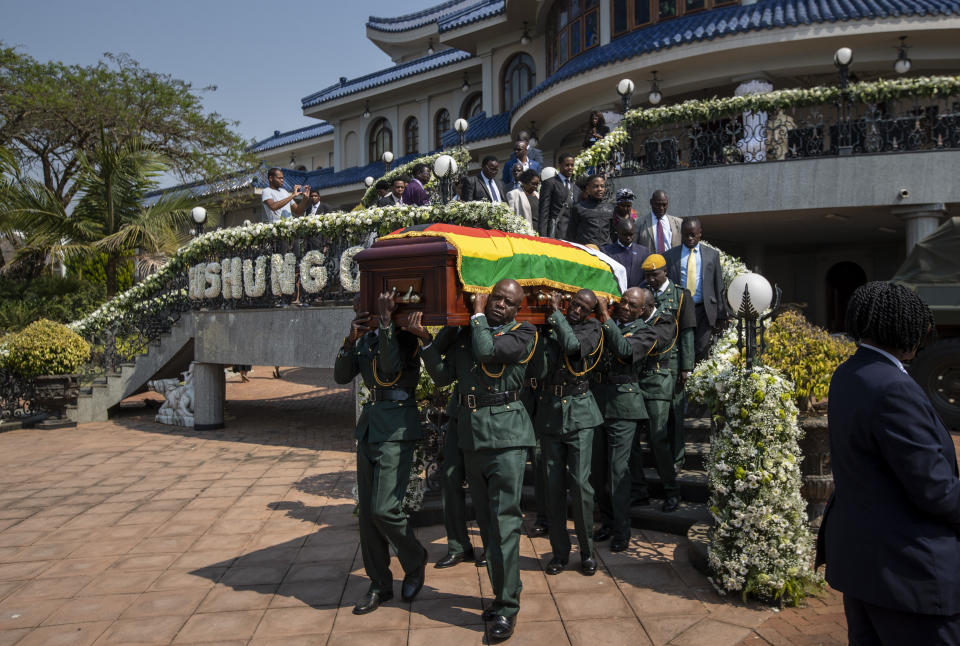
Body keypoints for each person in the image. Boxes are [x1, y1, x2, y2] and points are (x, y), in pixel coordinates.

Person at [816, 281, 959, 645]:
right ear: (902, 328)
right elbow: (936, 490)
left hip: (862, 566)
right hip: (907, 574)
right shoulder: (893, 387)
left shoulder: (847, 373)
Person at [410, 279, 537, 641]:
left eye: (508, 302)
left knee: (504, 524)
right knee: (486, 522)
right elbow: (442, 376)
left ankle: (508, 606)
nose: (500, 305)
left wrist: (477, 314)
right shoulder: (468, 330)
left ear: (517, 309)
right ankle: (503, 595)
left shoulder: (523, 332)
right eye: (496, 297)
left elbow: (486, 353)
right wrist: (426, 340)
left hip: (508, 440)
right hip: (471, 437)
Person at [333, 292, 427, 615]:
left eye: (363, 307)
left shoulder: (404, 336)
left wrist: (387, 324)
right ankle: (379, 583)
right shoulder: (363, 338)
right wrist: (349, 340)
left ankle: (414, 559)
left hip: (398, 427)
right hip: (371, 427)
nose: (359, 312)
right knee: (368, 517)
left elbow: (389, 367)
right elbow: (341, 375)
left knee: (385, 509)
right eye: (355, 309)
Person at [590, 287, 673, 552]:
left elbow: (625, 352)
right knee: (598, 471)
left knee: (618, 471)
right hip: (597, 402)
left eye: (632, 304)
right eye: (623, 301)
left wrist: (605, 316)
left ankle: (621, 530)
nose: (625, 306)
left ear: (643, 311)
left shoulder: (647, 331)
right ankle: (607, 522)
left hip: (624, 406)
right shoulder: (603, 323)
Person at [529, 290, 603, 576]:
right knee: (553, 486)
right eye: (575, 305)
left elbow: (572, 346)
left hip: (580, 414)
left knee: (581, 486)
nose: (577, 311)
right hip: (550, 413)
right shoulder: (550, 325)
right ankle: (559, 553)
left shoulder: (592, 329)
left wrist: (556, 314)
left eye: (584, 309)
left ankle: (586, 552)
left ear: (590, 313)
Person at [431, 327, 486, 570]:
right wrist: (453, 322)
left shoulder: (507, 331)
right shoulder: (460, 333)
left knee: (483, 485)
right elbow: (440, 365)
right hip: (459, 414)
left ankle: (492, 545)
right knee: (450, 477)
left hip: (488, 418)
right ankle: (458, 546)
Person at [640, 253, 697, 478]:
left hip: (673, 362)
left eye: (654, 275)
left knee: (675, 413)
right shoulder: (644, 293)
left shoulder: (680, 295)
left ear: (665, 272)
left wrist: (687, 366)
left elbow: (687, 332)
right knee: (657, 417)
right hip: (650, 362)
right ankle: (660, 458)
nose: (651, 280)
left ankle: (677, 458)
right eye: (647, 276)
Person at [633, 286, 685, 513]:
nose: (629, 309)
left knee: (658, 439)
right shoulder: (634, 322)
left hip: (657, 384)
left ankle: (671, 491)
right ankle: (639, 490)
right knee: (631, 441)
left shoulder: (665, 321)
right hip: (635, 384)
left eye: (634, 306)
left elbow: (654, 344)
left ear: (647, 308)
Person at [664, 217, 728, 361]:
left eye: (693, 234)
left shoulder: (712, 255)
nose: (690, 238)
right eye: (686, 234)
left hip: (704, 309)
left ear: (700, 233)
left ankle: (695, 378)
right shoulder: (670, 256)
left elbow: (718, 285)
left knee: (701, 346)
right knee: (683, 345)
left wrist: (721, 314)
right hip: (681, 308)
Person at [600, 218, 649, 288]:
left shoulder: (644, 252)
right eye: (625, 235)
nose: (628, 238)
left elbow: (647, 276)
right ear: (617, 233)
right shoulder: (606, 252)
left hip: (637, 295)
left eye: (631, 234)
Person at [538, 153, 579, 238]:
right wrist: (543, 236)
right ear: (559, 165)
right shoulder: (550, 183)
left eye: (572, 165)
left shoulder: (575, 187)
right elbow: (544, 211)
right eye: (567, 165)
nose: (570, 168)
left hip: (572, 235)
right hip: (556, 233)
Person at [566, 175, 613, 247]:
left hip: (605, 251)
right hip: (586, 251)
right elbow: (571, 234)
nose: (599, 189)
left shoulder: (610, 208)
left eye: (602, 186)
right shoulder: (579, 208)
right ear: (588, 189)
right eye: (595, 186)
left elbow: (613, 232)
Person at [636, 190, 682, 254]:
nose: (661, 208)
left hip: (672, 262)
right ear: (651, 202)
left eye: (664, 205)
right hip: (649, 262)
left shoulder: (679, 223)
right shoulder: (639, 223)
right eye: (658, 204)